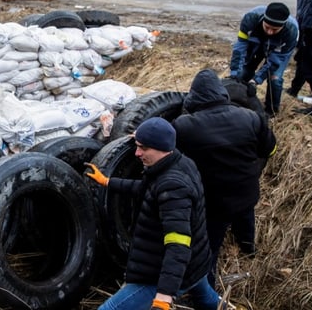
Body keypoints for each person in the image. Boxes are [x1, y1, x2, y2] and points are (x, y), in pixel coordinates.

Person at [85, 117, 223, 310]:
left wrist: (164, 295)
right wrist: (108, 182)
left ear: (161, 147)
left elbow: (178, 243)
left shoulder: (173, 187)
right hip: (196, 261)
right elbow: (148, 189)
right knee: (207, 298)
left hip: (161, 273)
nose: (137, 153)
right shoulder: (180, 163)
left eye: (143, 148)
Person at [172, 69, 277, 288]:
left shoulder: (183, 126)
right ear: (222, 92)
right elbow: (270, 150)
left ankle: (206, 286)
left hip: (214, 201)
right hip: (247, 191)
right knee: (245, 217)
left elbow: (171, 158)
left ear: (194, 96)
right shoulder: (251, 117)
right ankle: (249, 248)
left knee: (209, 245)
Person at [229, 2, 298, 118]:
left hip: (278, 51)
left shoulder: (291, 31)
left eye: (275, 29)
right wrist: (234, 73)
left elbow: (275, 61)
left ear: (283, 26)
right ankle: (240, 100)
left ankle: (271, 112)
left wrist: (256, 80)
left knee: (275, 78)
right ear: (263, 20)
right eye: (267, 27)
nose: (270, 32)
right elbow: (240, 48)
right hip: (256, 43)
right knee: (243, 71)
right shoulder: (250, 19)